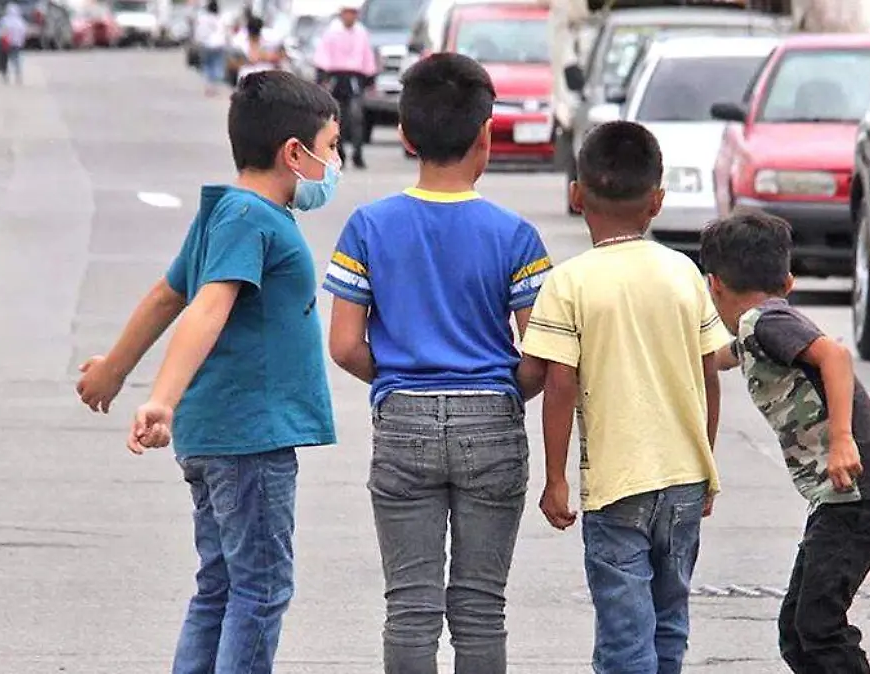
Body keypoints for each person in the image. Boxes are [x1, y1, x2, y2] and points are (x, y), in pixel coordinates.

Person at [74, 71, 341, 674]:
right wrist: (160, 399)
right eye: (330, 147)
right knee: (261, 590)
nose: (336, 162)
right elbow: (206, 304)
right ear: (292, 153)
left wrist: (115, 370)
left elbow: (167, 294)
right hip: (249, 437)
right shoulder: (252, 220)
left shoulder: (231, 212)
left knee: (221, 587)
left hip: (219, 435)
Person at [321, 52, 550, 674]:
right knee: (480, 608)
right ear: (486, 134)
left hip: (402, 421)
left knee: (410, 608)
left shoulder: (369, 226)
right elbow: (541, 355)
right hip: (492, 423)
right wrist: (500, 391)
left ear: (404, 134)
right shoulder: (516, 235)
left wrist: (398, 380)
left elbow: (344, 346)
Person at [518, 120, 731, 674]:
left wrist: (557, 478)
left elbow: (559, 384)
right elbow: (709, 374)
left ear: (576, 195)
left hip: (616, 489)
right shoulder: (685, 273)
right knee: (669, 624)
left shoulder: (569, 282)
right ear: (658, 202)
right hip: (684, 480)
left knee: (623, 635)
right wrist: (706, 465)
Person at [700, 208, 870, 674]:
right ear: (789, 280)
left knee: (818, 628)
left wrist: (842, 439)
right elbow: (716, 358)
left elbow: (835, 356)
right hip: (847, 496)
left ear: (714, 284)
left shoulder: (764, 321)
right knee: (798, 633)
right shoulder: (758, 326)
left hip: (861, 492)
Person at [312, 0, 376, 169]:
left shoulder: (362, 33)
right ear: (342, 14)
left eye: (353, 13)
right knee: (337, 118)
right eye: (347, 12)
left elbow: (367, 55)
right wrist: (322, 77)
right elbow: (323, 55)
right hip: (336, 77)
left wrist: (370, 77)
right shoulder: (332, 32)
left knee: (356, 117)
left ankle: (358, 153)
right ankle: (339, 152)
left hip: (355, 78)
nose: (350, 16)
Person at [236, 16, 283, 83]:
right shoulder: (240, 42)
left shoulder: (270, 40)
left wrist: (263, 56)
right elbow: (234, 62)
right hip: (247, 76)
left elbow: (280, 56)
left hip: (266, 77)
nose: (256, 36)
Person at [194, 0, 227, 96]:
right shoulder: (220, 18)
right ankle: (215, 87)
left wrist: (197, 42)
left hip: (206, 44)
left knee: (207, 65)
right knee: (217, 65)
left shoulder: (203, 18)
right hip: (219, 44)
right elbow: (225, 32)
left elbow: (199, 32)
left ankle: (208, 87)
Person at [0, 3, 27, 85]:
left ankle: (5, 76)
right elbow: (23, 33)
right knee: (16, 60)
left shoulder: (4, 20)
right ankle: (18, 75)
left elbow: (1, 32)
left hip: (6, 44)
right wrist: (21, 42)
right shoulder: (21, 21)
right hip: (17, 44)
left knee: (5, 60)